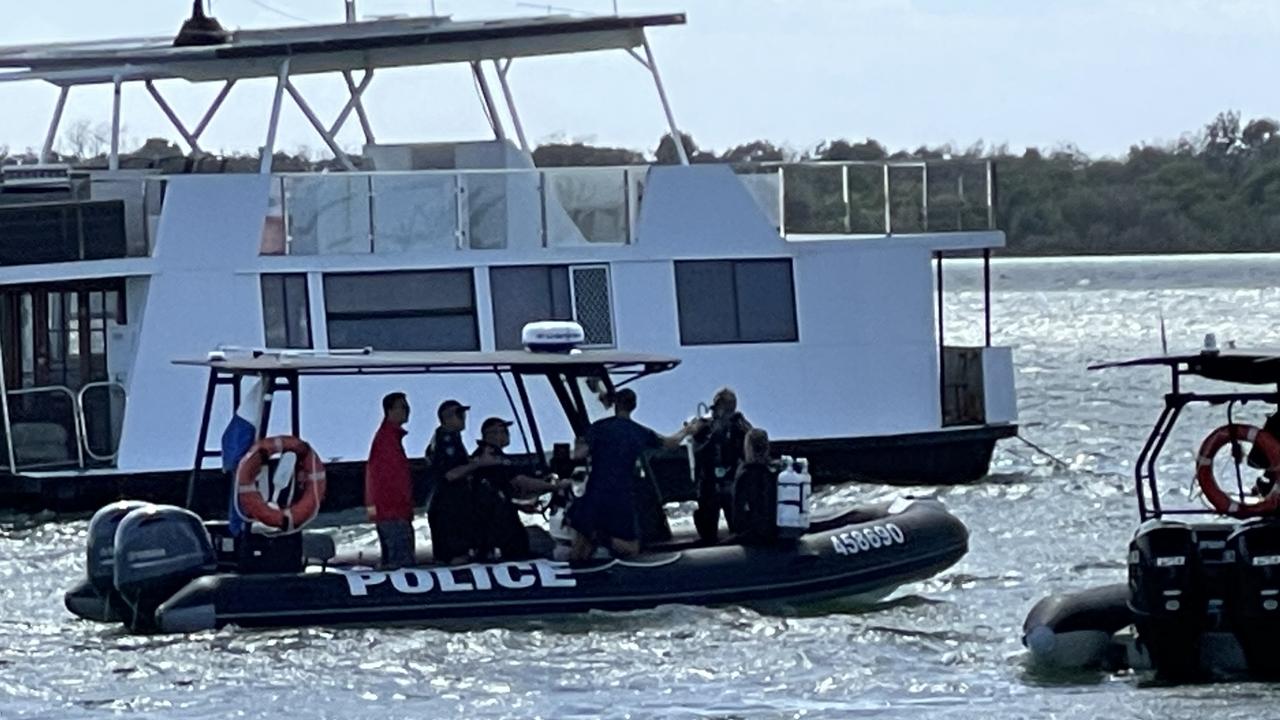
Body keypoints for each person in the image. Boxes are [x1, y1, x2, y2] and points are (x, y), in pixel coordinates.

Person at [568, 388, 696, 560]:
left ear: (615, 404)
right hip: (621, 494)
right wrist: (687, 430)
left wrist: (580, 442)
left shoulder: (599, 427)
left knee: (580, 548)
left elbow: (579, 454)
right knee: (631, 548)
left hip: (596, 490)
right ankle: (601, 538)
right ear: (633, 406)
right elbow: (670, 443)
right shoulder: (639, 432)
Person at [470, 417, 570, 560]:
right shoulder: (493, 457)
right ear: (491, 434)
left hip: (494, 512)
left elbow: (504, 488)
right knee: (517, 550)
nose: (507, 434)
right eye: (503, 431)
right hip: (494, 517)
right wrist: (554, 486)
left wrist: (520, 506)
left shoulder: (484, 455)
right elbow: (519, 481)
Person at [425, 399, 489, 565]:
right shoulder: (445, 441)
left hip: (452, 505)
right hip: (449, 507)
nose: (464, 418)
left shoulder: (453, 439)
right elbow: (450, 474)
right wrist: (479, 463)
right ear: (446, 418)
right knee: (456, 557)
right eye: (459, 414)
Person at [691, 387, 753, 543]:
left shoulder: (739, 424)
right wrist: (714, 434)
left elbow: (752, 444)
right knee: (708, 530)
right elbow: (697, 449)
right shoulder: (704, 424)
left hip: (731, 479)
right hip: (709, 481)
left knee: (738, 525)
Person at [365, 392, 415, 569]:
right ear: (389, 410)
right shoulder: (386, 440)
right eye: (402, 407)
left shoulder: (389, 438)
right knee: (401, 564)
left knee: (397, 561)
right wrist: (402, 505)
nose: (407, 411)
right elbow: (391, 479)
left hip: (392, 512)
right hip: (393, 512)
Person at [730, 428, 779, 544]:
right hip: (773, 531)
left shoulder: (745, 474)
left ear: (748, 448)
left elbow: (737, 514)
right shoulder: (775, 472)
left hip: (752, 534)